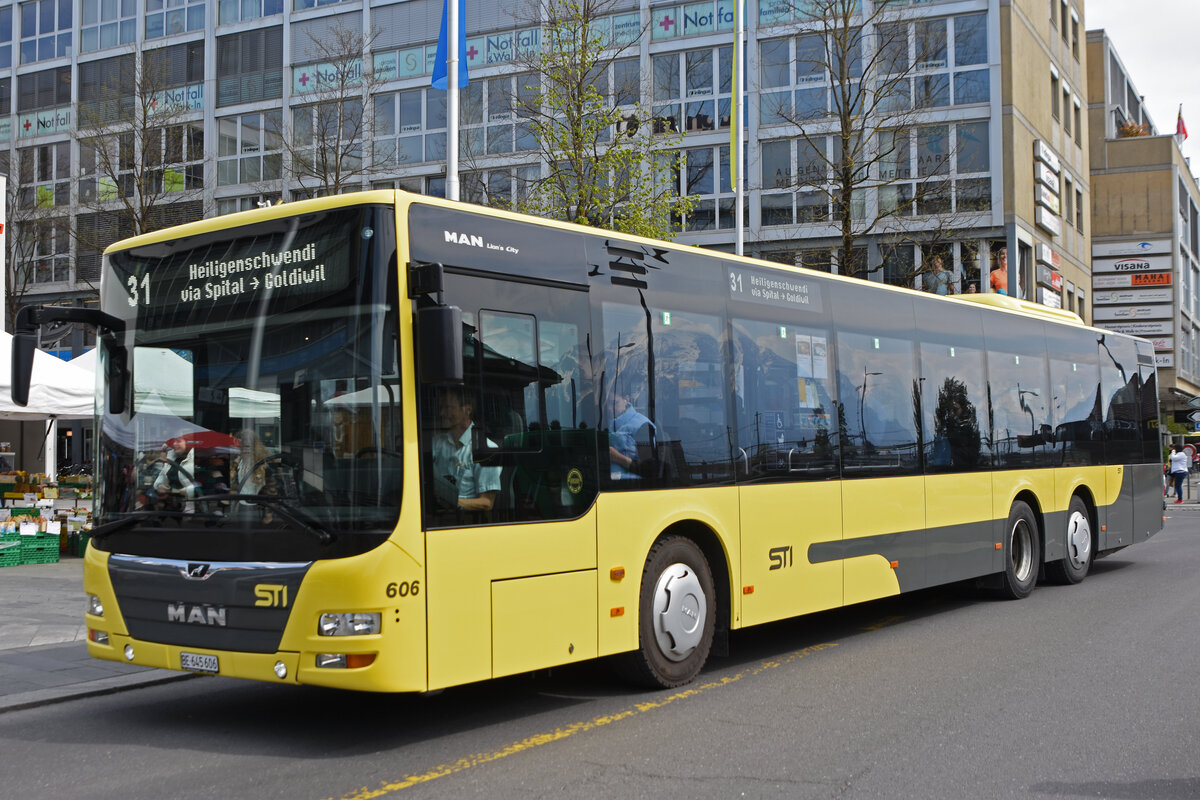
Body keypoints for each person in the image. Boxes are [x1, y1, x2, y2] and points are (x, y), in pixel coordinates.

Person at [432, 389, 501, 512]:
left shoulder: (486, 450)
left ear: (467, 410)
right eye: (441, 408)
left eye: (448, 408)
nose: (442, 413)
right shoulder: (437, 443)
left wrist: (451, 502)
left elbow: (486, 503)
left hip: (465, 522)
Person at [608, 389, 656, 479]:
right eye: (607, 404)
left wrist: (617, 457)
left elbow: (649, 468)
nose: (610, 408)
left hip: (632, 485)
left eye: (615, 403)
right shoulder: (605, 423)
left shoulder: (643, 424)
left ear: (626, 399)